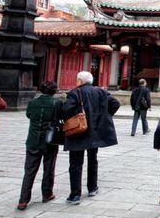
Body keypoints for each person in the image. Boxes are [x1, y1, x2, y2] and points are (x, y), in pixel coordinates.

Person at [61, 71, 120, 205]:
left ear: (80, 81)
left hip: (78, 132)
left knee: (76, 163)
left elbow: (66, 110)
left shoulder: (75, 93)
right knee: (93, 160)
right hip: (95, 132)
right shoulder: (101, 92)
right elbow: (115, 104)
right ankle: (92, 187)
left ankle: (75, 195)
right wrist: (104, 117)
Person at [18, 81, 62, 210]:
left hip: (33, 139)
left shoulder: (33, 102)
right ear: (54, 91)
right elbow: (60, 118)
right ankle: (47, 193)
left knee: (29, 170)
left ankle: (23, 200)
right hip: (49, 140)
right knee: (49, 168)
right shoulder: (57, 103)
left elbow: (29, 115)